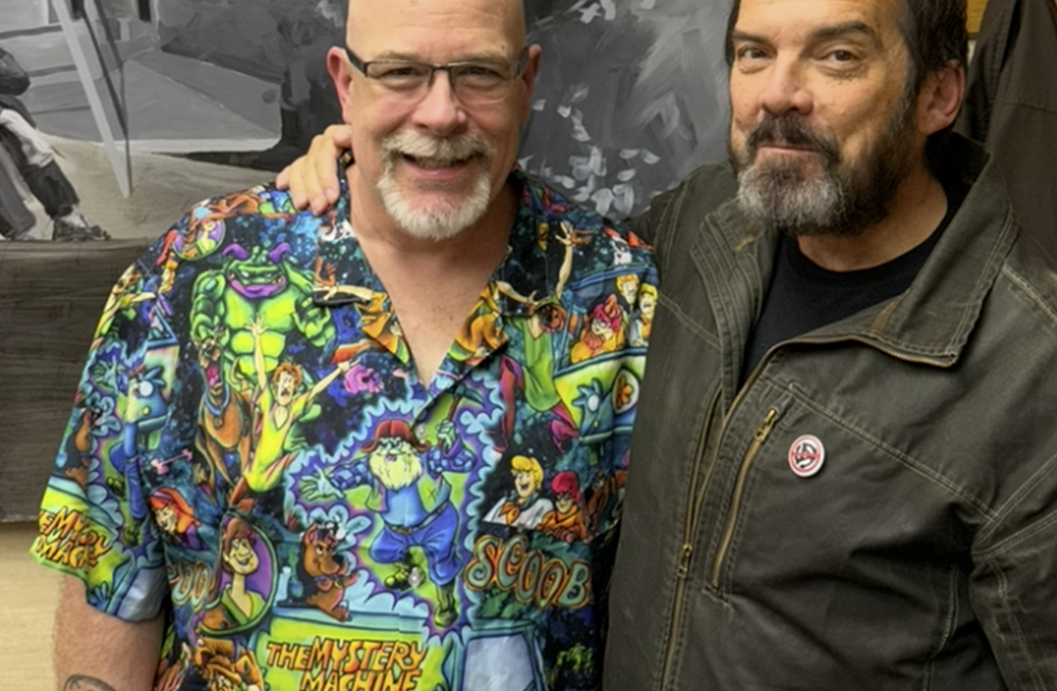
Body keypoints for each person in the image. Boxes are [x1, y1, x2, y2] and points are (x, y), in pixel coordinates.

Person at [280, 0, 1057, 688]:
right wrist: (380, 162)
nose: (780, 95)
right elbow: (533, 250)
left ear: (940, 93)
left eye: (838, 57)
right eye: (752, 53)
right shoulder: (700, 234)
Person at [30, 0, 655, 689]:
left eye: (478, 73)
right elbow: (112, 576)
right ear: (347, 83)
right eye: (400, 72)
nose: (440, 113)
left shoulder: (618, 299)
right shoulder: (196, 275)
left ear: (525, 82)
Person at [0, 45, 108, 241]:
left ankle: (69, 221)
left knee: (30, 151)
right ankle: (22, 234)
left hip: (6, 120)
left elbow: (18, 81)